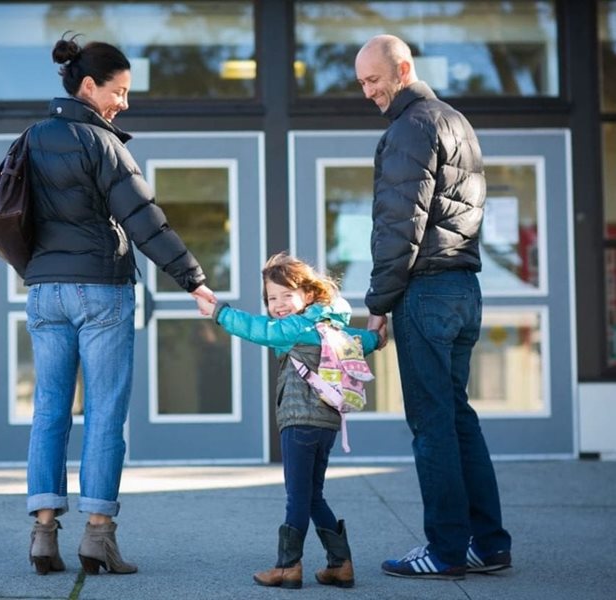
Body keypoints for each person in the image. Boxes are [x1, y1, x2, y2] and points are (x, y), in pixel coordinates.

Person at [24, 34, 215, 576]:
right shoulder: (101, 143)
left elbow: (5, 214)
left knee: (48, 411)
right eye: (120, 91)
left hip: (45, 292)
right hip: (100, 290)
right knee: (104, 412)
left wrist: (35, 273)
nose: (124, 103)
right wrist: (192, 278)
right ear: (89, 86)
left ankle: (42, 534)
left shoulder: (30, 140)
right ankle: (98, 535)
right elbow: (144, 219)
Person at [354, 34, 512, 580]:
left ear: (402, 69)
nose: (369, 92)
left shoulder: (411, 126)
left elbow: (402, 224)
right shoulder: (456, 121)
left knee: (433, 425)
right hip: (463, 289)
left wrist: (379, 302)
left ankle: (445, 550)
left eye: (373, 80)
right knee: (457, 417)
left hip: (425, 291)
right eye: (362, 83)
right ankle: (489, 545)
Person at [196, 252, 381, 589]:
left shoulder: (295, 328)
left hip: (299, 423)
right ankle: (340, 565)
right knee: (312, 496)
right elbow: (363, 341)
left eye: (286, 295)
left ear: (308, 295)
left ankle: (287, 566)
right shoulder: (332, 327)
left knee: (297, 496)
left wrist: (219, 312)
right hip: (326, 425)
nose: (278, 305)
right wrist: (378, 337)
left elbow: (258, 330)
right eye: (271, 298)